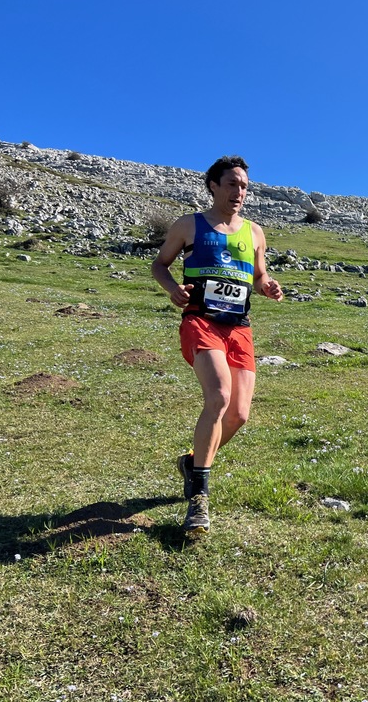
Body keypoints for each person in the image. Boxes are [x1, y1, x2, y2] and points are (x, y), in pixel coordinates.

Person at [151, 156, 283, 533]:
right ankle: (199, 499)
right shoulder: (189, 225)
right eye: (231, 184)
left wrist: (268, 286)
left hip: (238, 327)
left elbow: (259, 275)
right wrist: (172, 289)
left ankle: (192, 462)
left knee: (238, 414)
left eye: (244, 186)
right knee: (220, 396)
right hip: (201, 321)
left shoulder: (255, 232)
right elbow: (160, 265)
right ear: (213, 185)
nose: (239, 192)